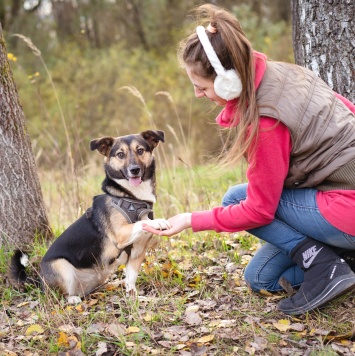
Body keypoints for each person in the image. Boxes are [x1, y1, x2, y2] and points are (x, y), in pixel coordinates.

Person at [143, 4, 355, 315]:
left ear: (227, 80)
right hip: (336, 202)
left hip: (346, 207)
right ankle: (341, 264)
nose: (197, 93)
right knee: (262, 277)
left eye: (201, 86)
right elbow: (345, 107)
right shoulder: (283, 73)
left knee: (235, 200)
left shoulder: (266, 120)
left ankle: (327, 268)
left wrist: (190, 220)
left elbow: (259, 210)